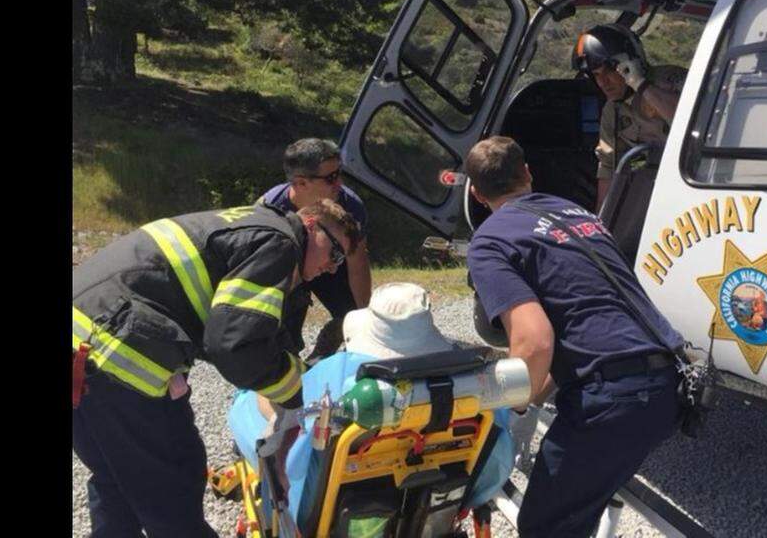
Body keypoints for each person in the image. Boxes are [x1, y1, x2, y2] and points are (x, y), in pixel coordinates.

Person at [72, 199, 361, 538]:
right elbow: (235, 346)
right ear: (310, 224)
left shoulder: (252, 225)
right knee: (173, 480)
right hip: (115, 353)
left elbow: (237, 327)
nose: (332, 268)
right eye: (336, 254)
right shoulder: (281, 243)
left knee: (116, 478)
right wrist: (298, 391)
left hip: (85, 342)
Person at [465, 136, 686, 538]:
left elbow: (535, 342)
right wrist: (533, 394)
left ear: (478, 195)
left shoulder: (490, 241)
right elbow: (569, 337)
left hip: (612, 398)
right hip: (667, 380)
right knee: (578, 502)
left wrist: (509, 410)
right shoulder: (578, 214)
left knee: (544, 526)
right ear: (527, 173)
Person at [228, 282, 516, 531]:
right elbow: (497, 457)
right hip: (432, 505)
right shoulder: (470, 384)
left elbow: (296, 416)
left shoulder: (340, 373)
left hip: (320, 508)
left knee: (251, 401)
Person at [259, 138, 373, 359]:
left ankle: (327, 348)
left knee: (352, 317)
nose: (339, 183)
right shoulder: (268, 209)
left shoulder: (351, 206)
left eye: (340, 173)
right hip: (289, 270)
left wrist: (364, 321)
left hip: (332, 266)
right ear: (301, 183)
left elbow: (357, 264)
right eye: (331, 178)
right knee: (284, 329)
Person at [572, 24, 688, 210]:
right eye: (596, 75)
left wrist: (640, 85)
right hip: (654, 193)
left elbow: (688, 120)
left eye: (609, 71)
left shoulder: (670, 81)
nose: (603, 82)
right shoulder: (613, 111)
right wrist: (603, 224)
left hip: (693, 184)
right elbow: (608, 168)